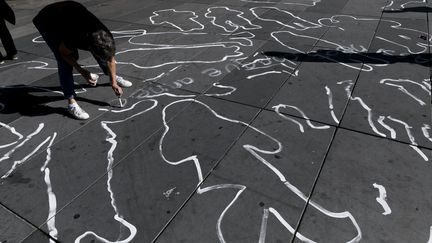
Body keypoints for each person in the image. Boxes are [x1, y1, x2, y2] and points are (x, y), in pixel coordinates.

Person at [33, 1, 132, 120]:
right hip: (48, 21)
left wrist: (113, 82)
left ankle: (112, 76)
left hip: (71, 12)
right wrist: (82, 71)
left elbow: (110, 58)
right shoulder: (75, 37)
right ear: (90, 48)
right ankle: (71, 102)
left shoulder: (106, 36)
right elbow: (64, 53)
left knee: (103, 53)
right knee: (64, 63)